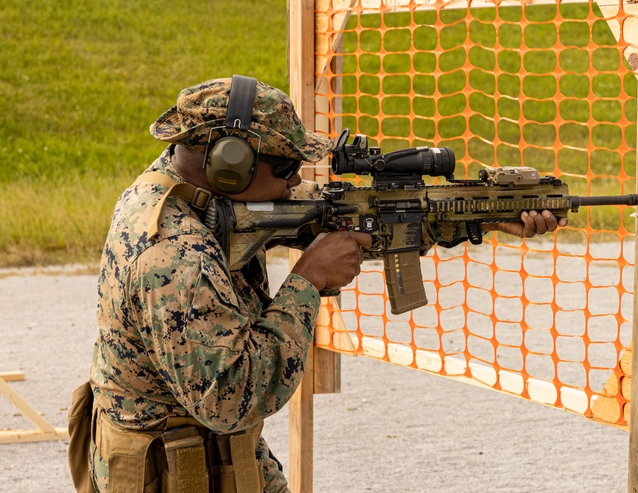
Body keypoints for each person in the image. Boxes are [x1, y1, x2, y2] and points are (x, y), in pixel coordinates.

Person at [69, 76, 564, 493]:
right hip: (176, 471)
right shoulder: (174, 254)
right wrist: (307, 280)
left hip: (204, 454)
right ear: (229, 163)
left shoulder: (181, 187)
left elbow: (337, 213)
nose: (295, 180)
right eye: (286, 168)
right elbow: (233, 397)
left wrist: (481, 217)